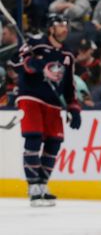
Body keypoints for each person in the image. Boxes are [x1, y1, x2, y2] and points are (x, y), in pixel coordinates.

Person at [10, 13, 81, 207]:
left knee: (54, 142)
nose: (65, 28)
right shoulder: (36, 43)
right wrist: (30, 64)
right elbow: (14, 61)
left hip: (53, 103)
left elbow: (69, 85)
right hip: (31, 97)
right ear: (51, 28)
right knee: (33, 137)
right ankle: (32, 185)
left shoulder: (67, 55)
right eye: (60, 25)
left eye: (66, 24)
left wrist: (73, 108)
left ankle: (42, 184)